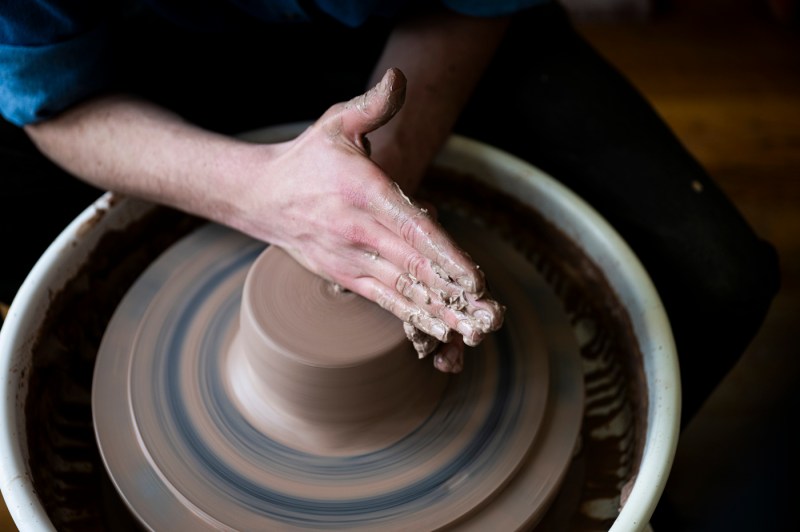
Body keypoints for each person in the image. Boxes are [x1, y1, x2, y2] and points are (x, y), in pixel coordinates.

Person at [0, 1, 780, 426]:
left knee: (715, 279)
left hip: (415, 28)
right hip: (146, 48)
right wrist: (260, 194)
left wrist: (382, 173)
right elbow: (48, 93)